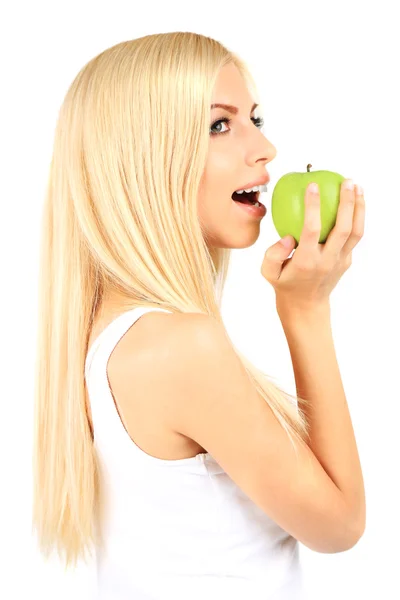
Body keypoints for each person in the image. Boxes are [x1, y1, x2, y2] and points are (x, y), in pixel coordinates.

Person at [32, 31, 366, 599]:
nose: (265, 149)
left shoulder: (113, 332)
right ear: (146, 156)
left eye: (255, 118)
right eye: (220, 124)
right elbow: (339, 526)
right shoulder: (179, 346)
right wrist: (305, 310)